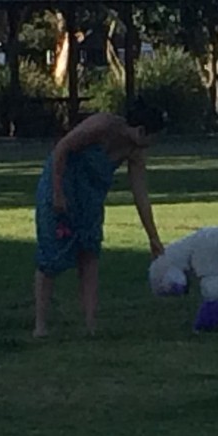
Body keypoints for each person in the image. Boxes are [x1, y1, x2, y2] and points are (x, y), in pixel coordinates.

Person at [33, 96, 166, 338]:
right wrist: (57, 193)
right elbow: (62, 148)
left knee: (90, 254)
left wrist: (153, 238)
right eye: (153, 137)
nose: (154, 143)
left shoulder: (134, 152)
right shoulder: (102, 126)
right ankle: (40, 325)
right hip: (62, 184)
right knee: (51, 256)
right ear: (140, 130)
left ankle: (90, 325)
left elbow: (140, 195)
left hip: (90, 197)